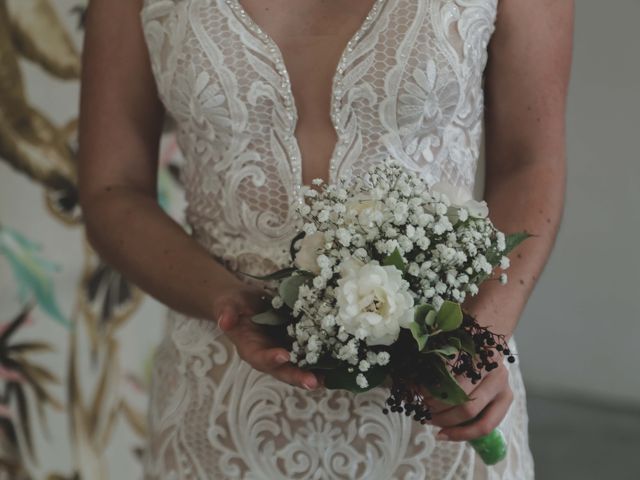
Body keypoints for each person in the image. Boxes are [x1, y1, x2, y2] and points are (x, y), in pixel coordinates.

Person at [78, 0, 573, 478]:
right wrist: (227, 301)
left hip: (438, 401)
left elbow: (528, 165)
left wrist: (480, 338)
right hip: (221, 400)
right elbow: (111, 190)